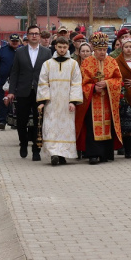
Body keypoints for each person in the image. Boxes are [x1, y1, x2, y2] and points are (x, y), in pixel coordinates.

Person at [75, 32, 123, 165]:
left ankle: (106, 154)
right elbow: (82, 83)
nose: (102, 52)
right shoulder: (87, 63)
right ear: (94, 49)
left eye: (104, 49)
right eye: (99, 50)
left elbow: (118, 80)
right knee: (92, 127)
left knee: (107, 126)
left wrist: (107, 84)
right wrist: (93, 88)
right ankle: (93, 155)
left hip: (107, 101)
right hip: (92, 101)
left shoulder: (112, 62)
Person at [6, 25, 52, 161]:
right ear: (27, 35)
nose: (34, 36)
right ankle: (24, 143)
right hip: (23, 91)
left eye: (36, 34)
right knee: (21, 121)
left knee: (39, 121)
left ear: (39, 36)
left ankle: (36, 150)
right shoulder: (20, 52)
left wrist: (50, 91)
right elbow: (14, 73)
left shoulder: (46, 52)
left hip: (40, 92)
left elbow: (50, 74)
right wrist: (11, 91)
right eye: (31, 34)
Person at [36, 37, 83, 166]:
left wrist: (73, 101)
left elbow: (76, 83)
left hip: (67, 103)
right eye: (60, 47)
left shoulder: (73, 64)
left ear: (68, 48)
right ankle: (54, 154)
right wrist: (43, 100)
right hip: (52, 102)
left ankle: (63, 154)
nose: (62, 50)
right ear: (55, 47)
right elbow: (43, 83)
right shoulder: (47, 64)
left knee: (66, 129)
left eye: (65, 47)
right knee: (51, 127)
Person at [0, 34, 20, 130]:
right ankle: (2, 121)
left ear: (19, 42)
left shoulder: (22, 51)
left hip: (17, 81)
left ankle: (14, 121)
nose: (14, 43)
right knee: (2, 101)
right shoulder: (2, 51)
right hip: (3, 81)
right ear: (9, 41)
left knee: (15, 103)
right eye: (13, 41)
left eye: (16, 41)